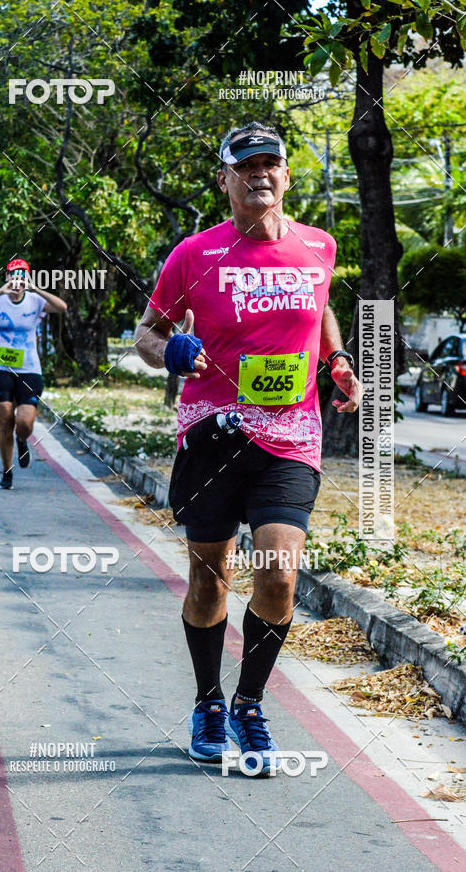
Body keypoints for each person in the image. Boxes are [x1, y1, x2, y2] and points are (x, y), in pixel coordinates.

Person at [135, 122, 364, 775]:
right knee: (212, 582)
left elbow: (318, 308)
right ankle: (208, 702)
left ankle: (250, 704)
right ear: (225, 179)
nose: (261, 174)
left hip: (290, 438)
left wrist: (338, 357)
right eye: (246, 165)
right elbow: (146, 334)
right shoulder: (193, 255)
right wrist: (170, 351)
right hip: (211, 434)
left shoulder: (320, 246)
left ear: (287, 175)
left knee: (279, 573)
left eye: (271, 163)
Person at [0, 259, 66, 490]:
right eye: (14, 275)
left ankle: (22, 440)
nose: (17, 281)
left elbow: (61, 307)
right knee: (5, 418)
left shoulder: (35, 300)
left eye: (22, 276)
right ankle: (7, 472)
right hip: (1, 367)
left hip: (29, 369)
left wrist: (36, 289)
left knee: (24, 423)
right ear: (7, 277)